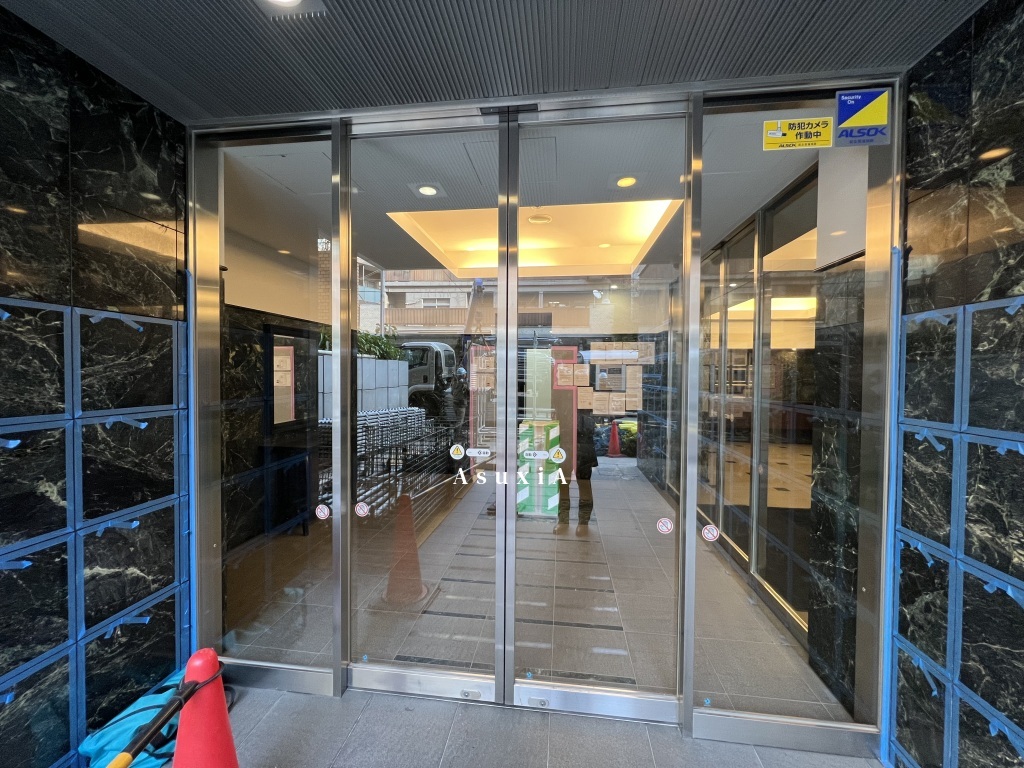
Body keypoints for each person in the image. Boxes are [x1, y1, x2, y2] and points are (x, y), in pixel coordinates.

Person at [554, 408, 598, 536]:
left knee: (584, 483)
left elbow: (591, 424)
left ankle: (583, 522)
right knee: (563, 483)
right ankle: (563, 520)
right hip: (564, 443)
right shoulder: (562, 399)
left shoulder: (586, 400)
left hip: (584, 444)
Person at [451, 367, 469, 441]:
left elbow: (452, 392)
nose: (465, 375)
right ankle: (456, 436)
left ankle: (457, 434)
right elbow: (468, 392)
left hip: (455, 403)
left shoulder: (454, 382)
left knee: (458, 419)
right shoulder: (463, 383)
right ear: (463, 375)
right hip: (461, 404)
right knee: (460, 421)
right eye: (465, 374)